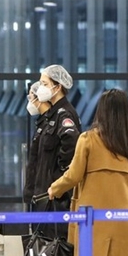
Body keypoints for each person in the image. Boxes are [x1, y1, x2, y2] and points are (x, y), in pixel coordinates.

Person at [48, 89, 128, 256]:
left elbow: (74, 175)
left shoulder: (88, 139)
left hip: (91, 218)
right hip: (124, 218)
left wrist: (55, 188)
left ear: (102, 111)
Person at [30, 65, 81, 237]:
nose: (41, 88)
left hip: (55, 199)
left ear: (57, 87)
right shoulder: (52, 114)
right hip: (44, 196)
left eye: (44, 83)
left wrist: (58, 183)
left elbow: (71, 149)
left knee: (53, 249)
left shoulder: (64, 115)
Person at [23, 81, 53, 205]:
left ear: (39, 98)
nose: (30, 102)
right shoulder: (41, 123)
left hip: (45, 193)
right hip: (38, 192)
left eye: (30, 97)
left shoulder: (51, 123)